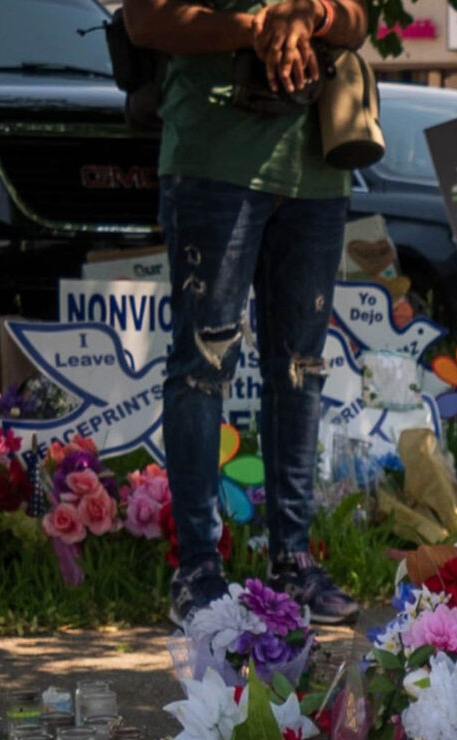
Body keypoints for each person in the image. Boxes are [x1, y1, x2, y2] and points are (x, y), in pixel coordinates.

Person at [124, 0, 371, 626]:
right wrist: (263, 28)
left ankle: (292, 562)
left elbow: (360, 18)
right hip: (212, 160)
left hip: (317, 166)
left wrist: (309, 17)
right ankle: (199, 568)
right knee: (201, 368)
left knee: (301, 371)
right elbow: (146, 21)